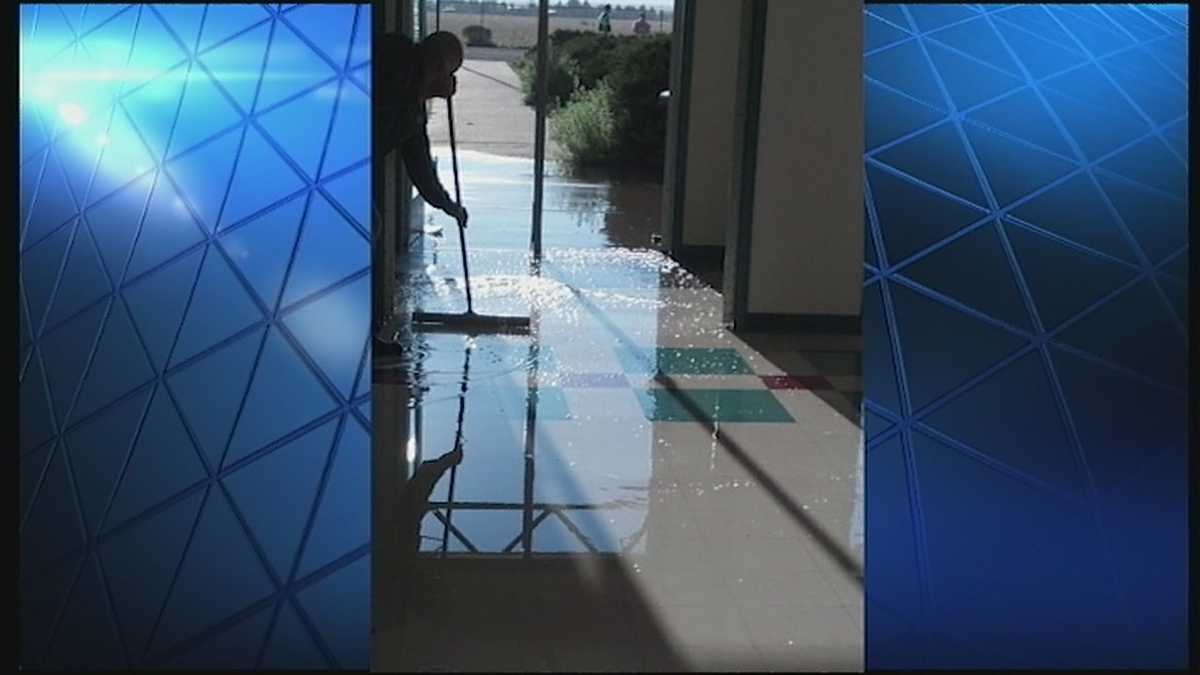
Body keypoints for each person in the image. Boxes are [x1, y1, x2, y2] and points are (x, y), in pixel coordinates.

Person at [374, 31, 469, 230]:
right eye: (447, 72)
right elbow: (388, 95)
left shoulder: (414, 111)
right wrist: (425, 91)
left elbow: (420, 166)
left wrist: (447, 204)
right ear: (438, 64)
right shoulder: (393, 54)